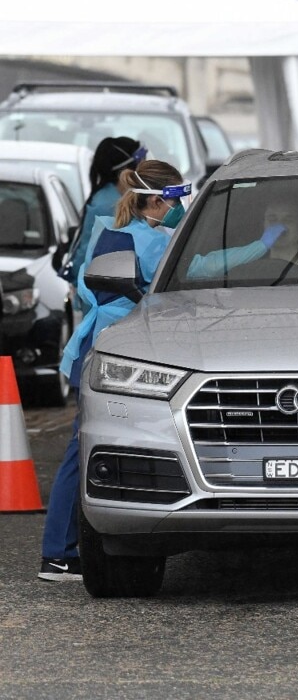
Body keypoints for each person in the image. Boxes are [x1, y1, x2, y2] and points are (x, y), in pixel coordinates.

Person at [38, 159, 186, 582]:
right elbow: (208, 265)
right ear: (158, 199)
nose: (183, 206)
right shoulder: (149, 241)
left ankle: (64, 550)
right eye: (177, 197)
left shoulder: (112, 230)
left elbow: (86, 285)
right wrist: (265, 244)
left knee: (82, 447)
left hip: (94, 347)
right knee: (81, 450)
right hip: (106, 351)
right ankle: (59, 553)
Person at [60, 137, 146, 288]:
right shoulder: (109, 205)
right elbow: (87, 254)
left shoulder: (120, 198)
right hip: (105, 297)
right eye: (141, 165)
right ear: (126, 172)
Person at [184, 199, 298, 279]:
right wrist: (261, 245)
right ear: (263, 225)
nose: (279, 225)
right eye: (272, 219)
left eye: (288, 220)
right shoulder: (244, 271)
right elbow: (206, 268)